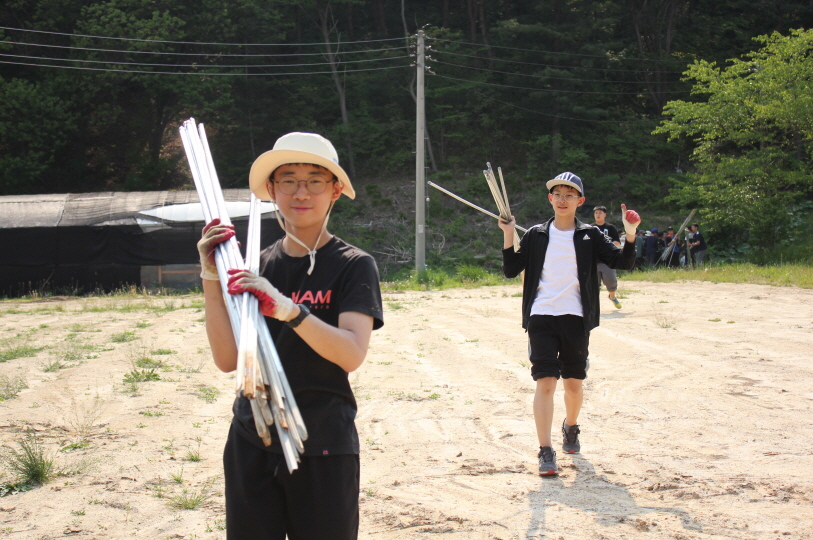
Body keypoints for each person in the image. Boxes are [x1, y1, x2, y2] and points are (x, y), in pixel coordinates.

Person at [197, 132, 384, 540]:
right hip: (252, 437)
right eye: (289, 180)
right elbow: (228, 360)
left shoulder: (353, 265)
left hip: (323, 442)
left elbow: (351, 353)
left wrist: (289, 310)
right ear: (271, 190)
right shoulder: (254, 266)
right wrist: (211, 277)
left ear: (335, 190)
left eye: (315, 180)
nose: (302, 192)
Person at [498, 172, 640, 476]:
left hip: (576, 318)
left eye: (569, 195)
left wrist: (630, 234)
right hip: (541, 316)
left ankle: (571, 426)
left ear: (580, 201)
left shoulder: (590, 235)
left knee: (573, 385)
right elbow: (511, 270)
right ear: (551, 199)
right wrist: (508, 234)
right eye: (558, 194)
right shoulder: (536, 235)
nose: (563, 200)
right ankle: (545, 451)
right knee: (546, 381)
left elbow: (623, 262)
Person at [591, 205, 622, 308]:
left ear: (605, 214)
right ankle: (594, 304)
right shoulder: (590, 228)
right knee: (593, 284)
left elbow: (617, 242)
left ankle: (612, 297)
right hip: (593, 261)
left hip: (608, 261)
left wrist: (608, 246)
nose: (598, 215)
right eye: (596, 213)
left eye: (600, 213)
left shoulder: (610, 228)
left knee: (611, 281)